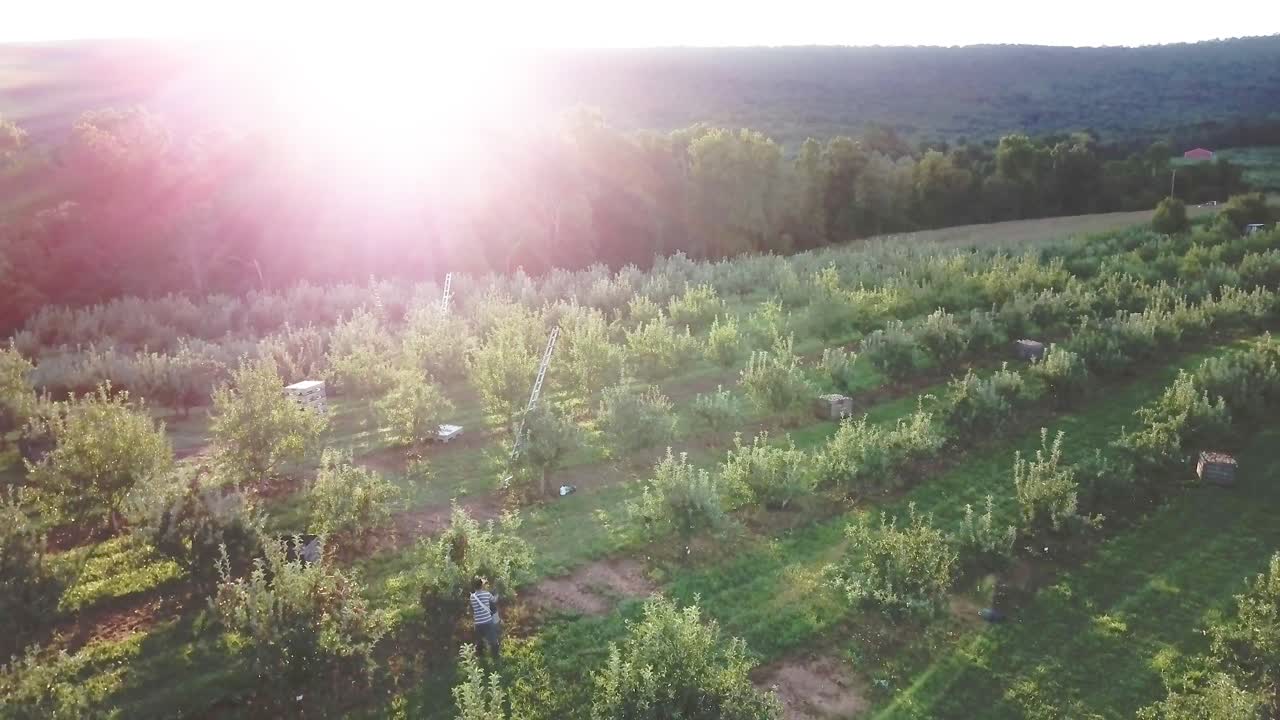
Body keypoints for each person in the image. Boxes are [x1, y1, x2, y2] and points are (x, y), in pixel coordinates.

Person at [469, 576, 501, 660]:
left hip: (478, 623)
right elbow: (494, 600)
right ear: (481, 585)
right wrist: (497, 594)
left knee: (479, 642)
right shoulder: (486, 594)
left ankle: (480, 658)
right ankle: (495, 657)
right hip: (487, 621)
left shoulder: (472, 597)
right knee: (493, 640)